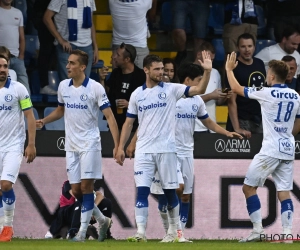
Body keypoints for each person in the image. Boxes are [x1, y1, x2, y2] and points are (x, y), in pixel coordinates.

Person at [126, 63, 242, 242]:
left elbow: (208, 122)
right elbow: (145, 123)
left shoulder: (195, 101)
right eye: (196, 81)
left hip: (187, 152)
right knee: (175, 189)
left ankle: (178, 234)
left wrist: (226, 132)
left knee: (185, 195)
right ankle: (170, 232)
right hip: (168, 151)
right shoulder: (170, 97)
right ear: (188, 81)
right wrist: (132, 143)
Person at [115, 52, 212, 243]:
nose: (161, 72)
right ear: (146, 70)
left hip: (167, 150)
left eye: (162, 69)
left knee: (170, 192)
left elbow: (199, 89)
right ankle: (140, 233)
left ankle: (175, 234)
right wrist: (120, 147)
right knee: (142, 190)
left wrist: (207, 72)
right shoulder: (137, 94)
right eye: (157, 69)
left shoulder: (172, 89)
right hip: (144, 150)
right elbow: (128, 124)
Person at [36, 50, 119, 242]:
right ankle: (101, 220)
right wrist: (44, 120)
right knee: (76, 190)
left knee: (86, 187)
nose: (67, 66)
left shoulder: (96, 88)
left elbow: (110, 117)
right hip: (71, 145)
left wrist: (118, 146)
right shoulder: (64, 86)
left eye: (72, 63)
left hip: (89, 143)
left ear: (83, 67)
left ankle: (81, 233)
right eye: (67, 63)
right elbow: (60, 111)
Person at [226, 52, 300, 243]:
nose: (266, 75)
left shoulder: (266, 93)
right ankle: (287, 234)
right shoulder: (295, 95)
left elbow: (235, 88)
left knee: (248, 188)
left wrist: (228, 70)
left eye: (268, 73)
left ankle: (258, 230)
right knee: (283, 191)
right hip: (288, 147)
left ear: (273, 76)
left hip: (271, 148)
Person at [0, 55, 36, 242]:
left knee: (5, 184)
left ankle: (7, 226)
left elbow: (29, 116)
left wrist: (30, 144)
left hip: (13, 145)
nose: (3, 69)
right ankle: (1, 227)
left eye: (5, 66)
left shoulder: (18, 89)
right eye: (0, 66)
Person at [43, 0, 98, 81]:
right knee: (67, 85)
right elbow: (46, 18)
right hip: (67, 47)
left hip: (87, 46)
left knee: (84, 85)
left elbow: (90, 22)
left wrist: (95, 47)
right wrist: (60, 40)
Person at [225, 33, 266, 138]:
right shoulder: (232, 66)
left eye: (249, 46)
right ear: (238, 47)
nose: (247, 50)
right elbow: (231, 101)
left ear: (254, 47)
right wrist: (237, 128)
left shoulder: (260, 63)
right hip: (241, 119)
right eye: (243, 46)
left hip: (259, 118)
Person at [45, 180, 113, 240]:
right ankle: (74, 232)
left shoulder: (86, 185)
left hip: (82, 211)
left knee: (106, 202)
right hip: (66, 213)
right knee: (81, 202)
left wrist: (93, 207)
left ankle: (106, 233)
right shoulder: (68, 183)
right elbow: (77, 195)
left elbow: (100, 195)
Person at [101, 43, 146, 132]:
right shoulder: (115, 73)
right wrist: (102, 80)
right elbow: (106, 95)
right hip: (115, 123)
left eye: (118, 55)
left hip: (134, 125)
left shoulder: (141, 76)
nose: (114, 57)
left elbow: (148, 101)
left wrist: (130, 104)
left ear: (127, 59)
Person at [193, 41, 232, 132]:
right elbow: (188, 101)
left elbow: (218, 101)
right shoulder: (188, 72)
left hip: (211, 126)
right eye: (208, 59)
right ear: (199, 54)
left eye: (212, 60)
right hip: (194, 127)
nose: (210, 62)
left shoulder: (215, 72)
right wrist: (210, 96)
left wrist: (224, 95)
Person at [108, 0, 155, 69]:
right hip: (139, 47)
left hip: (119, 48)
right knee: (140, 79)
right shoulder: (144, 3)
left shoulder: (112, 2)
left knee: (118, 79)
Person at [0, 0, 30, 94]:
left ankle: (27, 109)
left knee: (25, 90)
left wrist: (21, 56)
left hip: (17, 58)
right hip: (1, 58)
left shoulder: (18, 13)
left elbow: (22, 36)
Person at [171, 0, 210, 66]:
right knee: (178, 30)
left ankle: (197, 66)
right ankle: (182, 52)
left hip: (201, 2)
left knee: (199, 37)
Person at [32, 0, 57, 95]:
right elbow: (36, 12)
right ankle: (44, 85)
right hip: (45, 27)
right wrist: (40, 26)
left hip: (61, 28)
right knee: (45, 54)